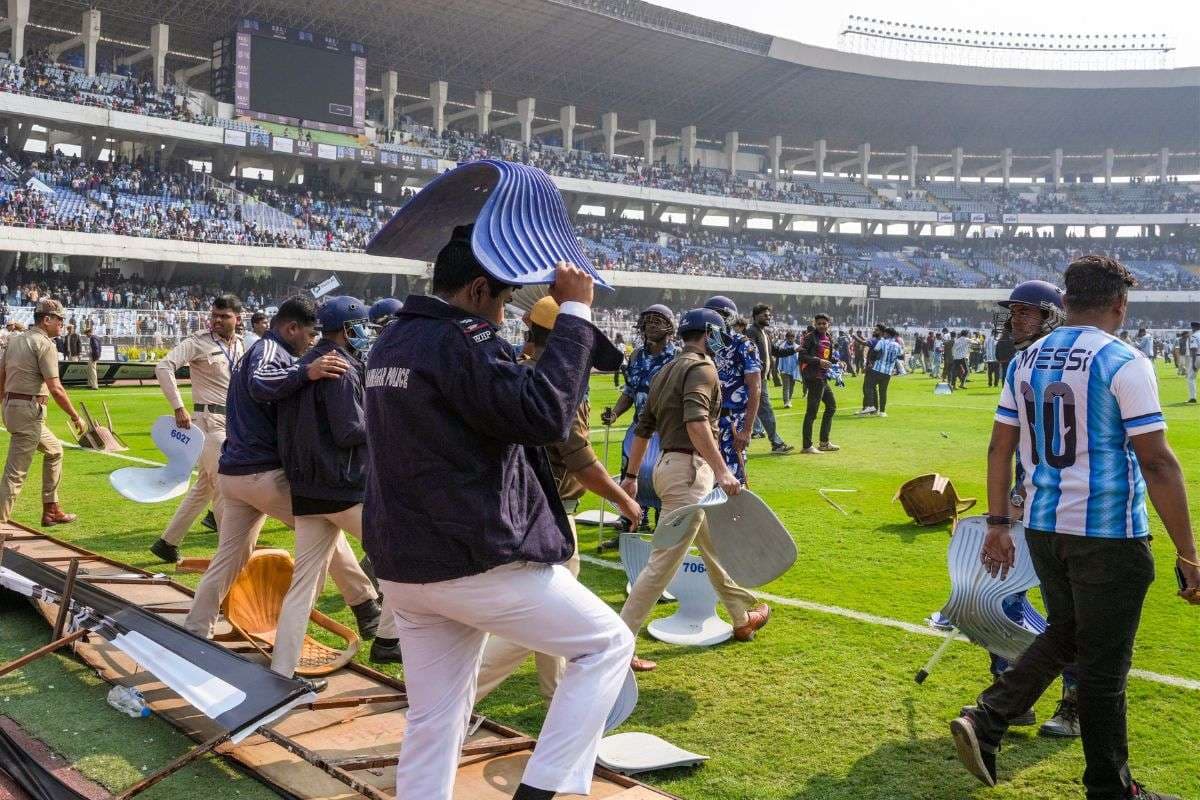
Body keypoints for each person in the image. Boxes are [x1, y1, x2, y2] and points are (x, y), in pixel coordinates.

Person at [362, 246, 633, 800]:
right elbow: (545, 415)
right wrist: (576, 311)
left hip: (405, 560)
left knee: (436, 717)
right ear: (478, 290)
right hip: (470, 555)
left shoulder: (392, 338)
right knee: (606, 645)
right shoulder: (461, 338)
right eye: (505, 297)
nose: (506, 313)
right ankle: (542, 789)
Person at [951, 255, 1200, 800]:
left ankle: (988, 718)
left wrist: (998, 522)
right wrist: (1189, 553)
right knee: (1104, 667)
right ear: (1120, 305)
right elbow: (1157, 463)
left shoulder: (1026, 359)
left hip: (1045, 525)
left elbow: (999, 447)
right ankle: (1110, 789)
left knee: (1065, 632)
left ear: (1064, 303)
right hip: (1108, 532)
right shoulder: (1123, 359)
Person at [183, 295, 382, 687]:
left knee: (230, 558)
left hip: (236, 472)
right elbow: (261, 385)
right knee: (327, 523)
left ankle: (195, 630)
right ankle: (365, 606)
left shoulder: (264, 351)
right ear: (291, 328)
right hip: (262, 472)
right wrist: (306, 372)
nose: (311, 342)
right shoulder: (271, 351)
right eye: (308, 334)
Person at [474, 296, 642, 702]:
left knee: (549, 610)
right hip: (548, 514)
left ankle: (555, 695)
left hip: (515, 507)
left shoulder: (515, 371)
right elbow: (579, 458)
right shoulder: (556, 387)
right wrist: (623, 498)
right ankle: (461, 693)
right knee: (545, 616)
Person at [619, 307, 769, 672]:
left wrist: (631, 475)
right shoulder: (702, 368)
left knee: (711, 544)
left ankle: (740, 616)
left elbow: (643, 428)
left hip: (669, 467)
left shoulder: (665, 370)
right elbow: (697, 420)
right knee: (661, 565)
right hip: (688, 472)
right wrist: (722, 471)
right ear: (709, 335)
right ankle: (618, 644)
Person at [269, 296, 395, 676]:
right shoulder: (339, 367)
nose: (366, 334)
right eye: (361, 327)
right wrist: (387, 422)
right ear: (348, 329)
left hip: (308, 490)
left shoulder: (302, 365)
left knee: (303, 585)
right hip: (342, 486)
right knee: (401, 556)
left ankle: (281, 669)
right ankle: (389, 639)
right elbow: (348, 430)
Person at [149, 295, 246, 564]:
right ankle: (229, 552)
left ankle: (167, 543)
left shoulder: (241, 344)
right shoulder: (198, 342)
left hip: (233, 422)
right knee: (224, 484)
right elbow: (164, 366)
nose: (217, 320)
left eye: (224, 316)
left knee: (205, 486)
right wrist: (178, 407)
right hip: (208, 422)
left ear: (238, 318)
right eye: (214, 315)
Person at [0, 299, 83, 527]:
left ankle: (51, 510)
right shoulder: (45, 344)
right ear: (47, 320)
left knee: (55, 451)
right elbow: (56, 388)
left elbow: (1, 376)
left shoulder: (15, 340)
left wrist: (3, 405)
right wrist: (75, 416)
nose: (62, 324)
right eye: (59, 319)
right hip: (29, 411)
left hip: (13, 407)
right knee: (15, 473)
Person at [601, 304, 677, 535]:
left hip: (665, 430)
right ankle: (630, 523)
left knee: (660, 478)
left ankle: (661, 529)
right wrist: (615, 413)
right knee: (630, 475)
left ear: (669, 327)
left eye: (657, 321)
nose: (651, 325)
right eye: (648, 321)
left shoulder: (677, 357)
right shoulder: (635, 356)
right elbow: (630, 392)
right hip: (639, 428)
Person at [703, 297, 762, 484]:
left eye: (720, 315)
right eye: (711, 315)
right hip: (703, 420)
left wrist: (747, 430)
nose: (715, 319)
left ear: (730, 317)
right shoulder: (702, 344)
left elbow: (755, 387)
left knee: (733, 480)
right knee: (703, 479)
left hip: (732, 421)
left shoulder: (743, 345)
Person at [745, 303, 794, 454]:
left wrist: (794, 349)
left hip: (761, 379)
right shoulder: (751, 332)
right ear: (755, 316)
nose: (768, 317)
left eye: (769, 315)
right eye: (765, 315)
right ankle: (776, 444)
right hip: (754, 379)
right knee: (766, 410)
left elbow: (776, 351)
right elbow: (748, 353)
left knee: (760, 410)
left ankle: (774, 442)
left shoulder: (764, 334)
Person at [798, 313, 839, 454]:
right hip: (814, 378)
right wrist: (818, 361)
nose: (821, 325)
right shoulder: (810, 337)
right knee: (812, 412)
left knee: (831, 407)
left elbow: (827, 357)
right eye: (819, 323)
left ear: (829, 324)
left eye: (824, 323)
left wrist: (838, 362)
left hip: (823, 377)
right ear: (815, 324)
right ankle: (807, 446)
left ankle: (824, 443)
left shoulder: (828, 337)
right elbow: (802, 356)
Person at [856, 325, 901, 417]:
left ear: (887, 334)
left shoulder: (882, 342)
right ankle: (882, 412)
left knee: (868, 387)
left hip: (877, 369)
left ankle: (871, 406)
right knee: (883, 391)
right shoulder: (897, 345)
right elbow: (900, 355)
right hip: (888, 371)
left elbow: (874, 352)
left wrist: (870, 363)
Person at [777, 330, 799, 408]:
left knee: (792, 387)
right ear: (786, 338)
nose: (790, 339)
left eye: (792, 337)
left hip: (793, 370)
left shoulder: (797, 347)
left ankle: (789, 400)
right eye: (789, 337)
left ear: (794, 338)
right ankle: (786, 402)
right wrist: (779, 368)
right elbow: (779, 358)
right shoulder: (782, 346)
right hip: (784, 370)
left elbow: (799, 359)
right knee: (786, 387)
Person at [1186, 321, 1200, 404]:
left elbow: (1194, 349)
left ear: (1193, 327)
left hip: (1197, 356)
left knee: (1191, 378)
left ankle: (1192, 397)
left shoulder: (1194, 336)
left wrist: (1194, 362)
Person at [85, 325, 101, 390]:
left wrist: (95, 357)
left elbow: (96, 348)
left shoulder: (93, 338)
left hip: (93, 356)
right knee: (90, 370)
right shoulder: (96, 337)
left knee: (92, 371)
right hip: (93, 356)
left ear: (89, 332)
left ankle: (94, 385)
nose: (86, 335)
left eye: (86, 334)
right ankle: (90, 384)